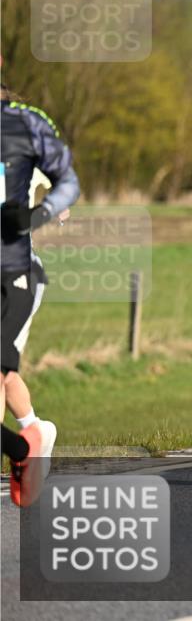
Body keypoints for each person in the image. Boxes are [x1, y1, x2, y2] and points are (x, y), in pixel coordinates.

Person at [1, 77, 81, 502]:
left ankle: (27, 440)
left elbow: (61, 194)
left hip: (16, 273)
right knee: (7, 371)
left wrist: (43, 212)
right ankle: (33, 431)